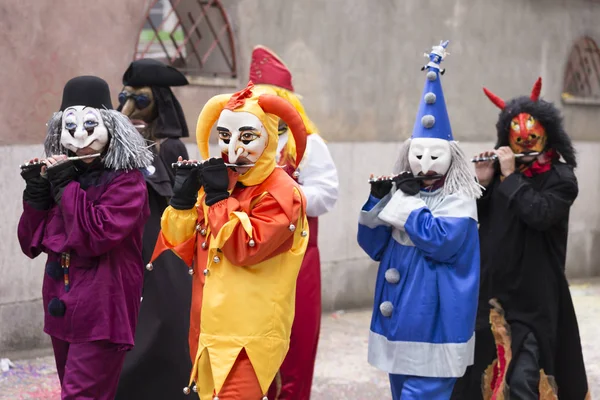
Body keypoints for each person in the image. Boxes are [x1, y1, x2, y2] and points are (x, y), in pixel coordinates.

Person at [147, 81, 309, 399]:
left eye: (247, 137)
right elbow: (179, 245)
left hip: (250, 338)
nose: (233, 147)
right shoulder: (222, 183)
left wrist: (219, 197)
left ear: (269, 136)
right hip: (207, 330)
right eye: (224, 136)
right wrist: (181, 201)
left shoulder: (282, 192)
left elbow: (244, 248)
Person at [450, 78, 590, 400]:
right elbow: (475, 222)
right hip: (494, 294)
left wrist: (511, 178)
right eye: (517, 136)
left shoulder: (562, 178)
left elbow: (538, 214)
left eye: (532, 134)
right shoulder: (501, 176)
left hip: (535, 300)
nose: (525, 141)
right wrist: (483, 184)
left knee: (525, 379)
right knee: (483, 378)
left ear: (547, 131)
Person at [357, 41, 481, 400]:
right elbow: (373, 247)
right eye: (418, 155)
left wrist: (406, 201)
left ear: (451, 157)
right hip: (398, 323)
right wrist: (378, 201)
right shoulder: (404, 193)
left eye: (434, 155)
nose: (424, 164)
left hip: (435, 326)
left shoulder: (460, 199)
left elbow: (440, 241)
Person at [17, 76, 152, 400]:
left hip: (102, 311)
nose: (79, 135)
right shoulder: (67, 175)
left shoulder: (127, 183)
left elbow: (96, 234)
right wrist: (37, 196)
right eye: (71, 125)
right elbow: (30, 244)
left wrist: (64, 188)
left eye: (89, 125)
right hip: (62, 307)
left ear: (111, 127)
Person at [249, 45, 339, 399]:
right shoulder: (246, 144)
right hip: (252, 261)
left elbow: (327, 196)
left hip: (296, 260)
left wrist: (288, 193)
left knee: (294, 350)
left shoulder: (308, 144)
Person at [115, 58, 193, 400]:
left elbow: (179, 199)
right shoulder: (116, 145)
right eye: (124, 97)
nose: (128, 107)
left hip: (162, 247)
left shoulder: (170, 146)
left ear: (158, 104)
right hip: (126, 245)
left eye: (141, 101)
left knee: (163, 319)